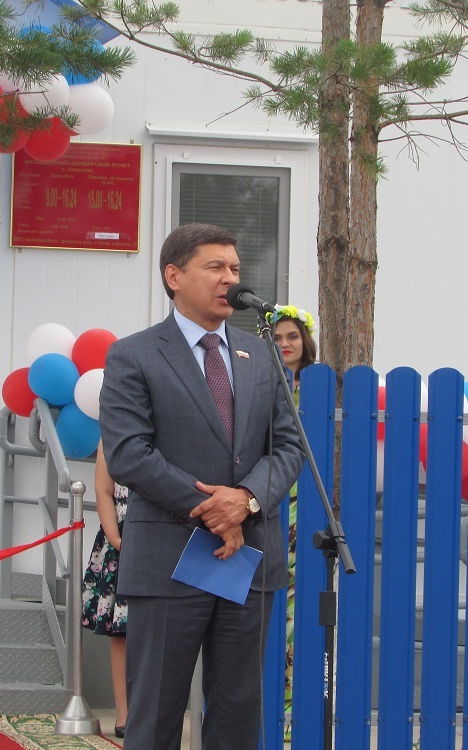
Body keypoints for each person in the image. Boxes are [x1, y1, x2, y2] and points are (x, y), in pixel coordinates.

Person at [99, 222, 304, 750]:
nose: (230, 279)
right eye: (215, 267)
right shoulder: (134, 354)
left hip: (248, 558)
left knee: (237, 712)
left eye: (235, 268)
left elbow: (288, 446)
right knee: (156, 713)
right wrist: (215, 508)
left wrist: (247, 501)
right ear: (174, 276)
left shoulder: (261, 354)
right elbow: (129, 454)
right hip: (170, 558)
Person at [266, 303, 317, 739]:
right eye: (278, 338)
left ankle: (298, 705)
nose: (285, 344)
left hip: (309, 499)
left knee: (302, 608)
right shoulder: (262, 382)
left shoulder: (321, 386)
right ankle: (271, 704)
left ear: (306, 340)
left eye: (292, 336)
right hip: (270, 496)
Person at [79, 441, 128, 739]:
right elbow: (103, 490)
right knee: (121, 632)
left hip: (164, 540)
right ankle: (124, 711)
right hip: (121, 540)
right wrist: (118, 540)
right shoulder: (112, 428)